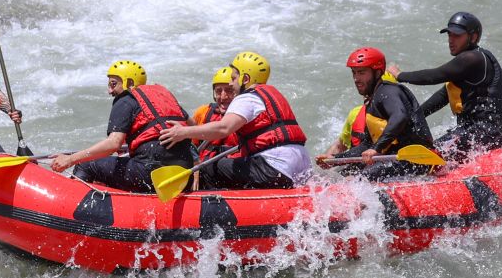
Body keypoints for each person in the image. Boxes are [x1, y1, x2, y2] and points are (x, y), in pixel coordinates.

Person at [160, 52, 309, 189]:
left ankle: (218, 210)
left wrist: (183, 132)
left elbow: (223, 128)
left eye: (233, 78)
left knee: (208, 168)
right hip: (302, 166)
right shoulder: (274, 95)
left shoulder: (246, 97)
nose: (231, 83)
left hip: (275, 167)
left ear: (245, 79)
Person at [50, 60, 193, 193]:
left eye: (113, 84)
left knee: (86, 164)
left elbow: (113, 143)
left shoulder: (126, 99)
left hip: (151, 172)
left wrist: (70, 159)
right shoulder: (163, 98)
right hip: (183, 173)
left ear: (129, 83)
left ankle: (72, 205)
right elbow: (192, 127)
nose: (109, 91)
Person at [389, 11, 502, 160]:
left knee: (430, 156)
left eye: (457, 36)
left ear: (474, 37)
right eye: (449, 35)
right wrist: (413, 117)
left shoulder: (473, 58)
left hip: (483, 134)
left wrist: (400, 75)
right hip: (470, 132)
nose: (451, 40)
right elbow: (442, 97)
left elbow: (435, 75)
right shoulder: (466, 69)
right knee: (430, 150)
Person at [319, 47, 436, 181]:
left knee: (357, 181)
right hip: (393, 157)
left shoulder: (388, 91)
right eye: (354, 73)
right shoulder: (371, 101)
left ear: (377, 72)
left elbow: (400, 116)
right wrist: (334, 159)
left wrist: (377, 148)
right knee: (341, 176)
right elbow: (367, 144)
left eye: (362, 72)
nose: (356, 78)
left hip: (416, 159)